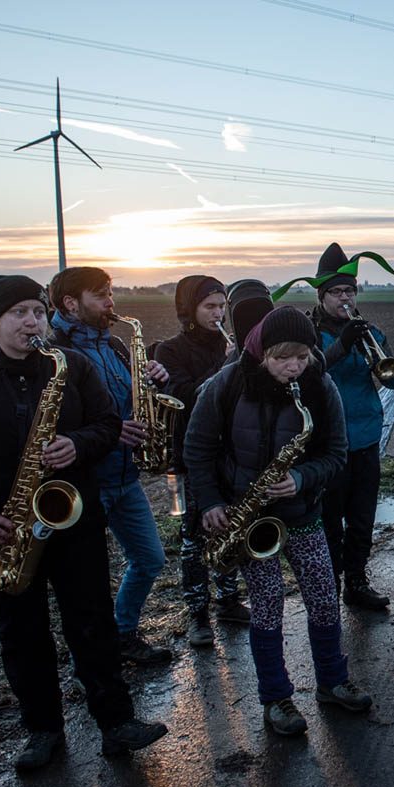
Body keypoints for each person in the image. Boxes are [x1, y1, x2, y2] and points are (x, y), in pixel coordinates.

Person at [0, 276, 168, 771]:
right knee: (22, 634)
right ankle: (43, 731)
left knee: (92, 621)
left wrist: (79, 443)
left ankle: (117, 723)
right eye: (20, 313)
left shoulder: (68, 366)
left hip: (72, 516)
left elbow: (108, 423)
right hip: (3, 529)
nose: (32, 322)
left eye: (38, 311)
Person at [184, 306, 372, 736]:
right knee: (266, 608)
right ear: (260, 351)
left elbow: (337, 454)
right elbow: (196, 447)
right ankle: (277, 699)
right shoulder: (227, 383)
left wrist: (302, 477)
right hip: (249, 521)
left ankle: (333, 681)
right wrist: (211, 502)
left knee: (325, 598)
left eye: (302, 357)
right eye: (282, 358)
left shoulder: (321, 387)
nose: (293, 367)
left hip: (302, 513)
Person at [47, 267, 173, 664]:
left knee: (150, 558)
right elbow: (54, 423)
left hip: (125, 475)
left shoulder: (117, 346)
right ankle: (93, 654)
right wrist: (108, 432)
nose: (110, 303)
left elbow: (131, 400)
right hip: (85, 483)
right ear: (71, 303)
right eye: (101, 295)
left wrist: (154, 381)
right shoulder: (54, 353)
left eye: (110, 293)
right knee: (86, 580)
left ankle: (122, 633)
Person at [154, 275, 251, 648]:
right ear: (190, 310)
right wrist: (225, 368)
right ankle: (197, 614)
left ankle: (228, 600)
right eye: (209, 306)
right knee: (193, 539)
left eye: (222, 306)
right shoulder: (170, 350)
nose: (218, 313)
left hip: (230, 452)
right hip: (189, 456)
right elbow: (183, 398)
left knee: (229, 527)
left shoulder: (233, 346)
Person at [309, 243, 394, 609]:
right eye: (336, 292)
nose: (344, 298)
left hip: (365, 436)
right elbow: (308, 372)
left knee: (363, 519)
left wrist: (371, 348)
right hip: (328, 443)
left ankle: (357, 582)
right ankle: (329, 586)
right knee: (331, 522)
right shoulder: (310, 330)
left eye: (349, 291)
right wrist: (341, 346)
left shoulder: (370, 331)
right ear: (323, 296)